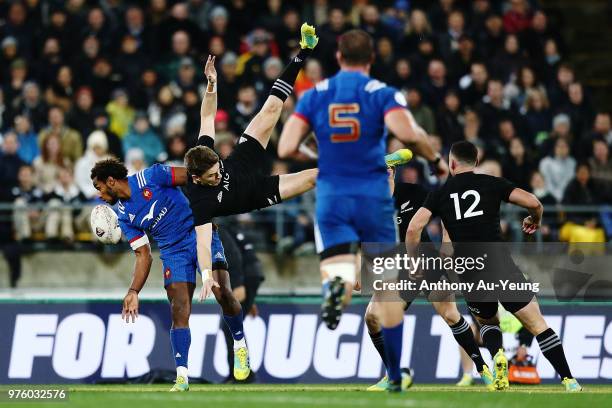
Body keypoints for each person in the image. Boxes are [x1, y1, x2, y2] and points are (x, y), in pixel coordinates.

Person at [277, 28, 446, 392]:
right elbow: (410, 132)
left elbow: (287, 144)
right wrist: (433, 160)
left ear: (338, 57)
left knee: (337, 256)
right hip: (373, 194)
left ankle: (334, 286)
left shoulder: (316, 94)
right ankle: (397, 377)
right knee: (386, 289)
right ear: (371, 58)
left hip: (333, 193)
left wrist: (322, 157)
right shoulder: (381, 93)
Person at [406, 140, 583, 392]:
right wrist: (535, 219)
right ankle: (569, 379)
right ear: (476, 162)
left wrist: (415, 262)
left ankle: (497, 358)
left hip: (468, 267)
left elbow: (413, 228)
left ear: (452, 163)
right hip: (499, 262)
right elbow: (534, 201)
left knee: (487, 321)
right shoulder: (491, 183)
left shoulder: (440, 194)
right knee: (536, 322)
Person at [182, 25, 319, 306]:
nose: (218, 175)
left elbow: (207, 117)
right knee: (315, 177)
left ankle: (303, 53)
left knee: (271, 107)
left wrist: (211, 85)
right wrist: (206, 275)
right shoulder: (200, 201)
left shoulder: (206, 154)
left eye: (218, 168)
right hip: (257, 192)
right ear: (196, 179)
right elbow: (203, 244)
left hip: (243, 158)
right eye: (212, 176)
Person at [90, 158, 248, 391]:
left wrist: (208, 204)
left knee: (222, 291)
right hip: (173, 252)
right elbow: (144, 254)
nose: (99, 194)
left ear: (111, 181)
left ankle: (239, 344)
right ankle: (182, 377)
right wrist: (133, 291)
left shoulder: (152, 177)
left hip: (199, 234)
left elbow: (193, 176)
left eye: (99, 187)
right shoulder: (124, 216)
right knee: (179, 308)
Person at [365, 154, 495, 392]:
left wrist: (447, 244)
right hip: (397, 269)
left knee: (450, 314)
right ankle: (393, 374)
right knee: (372, 317)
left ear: (392, 173)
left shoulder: (414, 193)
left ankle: (482, 367)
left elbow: (446, 207)